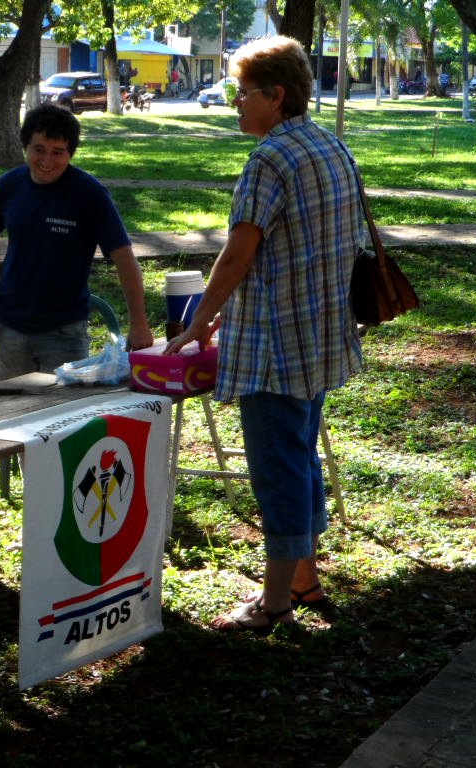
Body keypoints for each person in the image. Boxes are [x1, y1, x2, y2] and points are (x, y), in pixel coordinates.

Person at [165, 36, 364, 633]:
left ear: (275, 97)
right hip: (320, 336)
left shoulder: (269, 158)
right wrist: (233, 309)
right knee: (299, 458)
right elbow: (300, 249)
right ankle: (304, 579)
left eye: (242, 94)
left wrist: (201, 318)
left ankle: (274, 601)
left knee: (278, 468)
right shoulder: (330, 145)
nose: (235, 105)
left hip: (277, 351)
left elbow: (237, 254)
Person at [0, 104, 154, 381]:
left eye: (58, 152)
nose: (47, 160)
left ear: (71, 153)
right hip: (8, 327)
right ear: (25, 147)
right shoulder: (9, 185)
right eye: (38, 149)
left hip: (63, 332)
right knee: (12, 415)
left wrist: (139, 323)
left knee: (62, 419)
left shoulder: (89, 194)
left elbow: (124, 259)